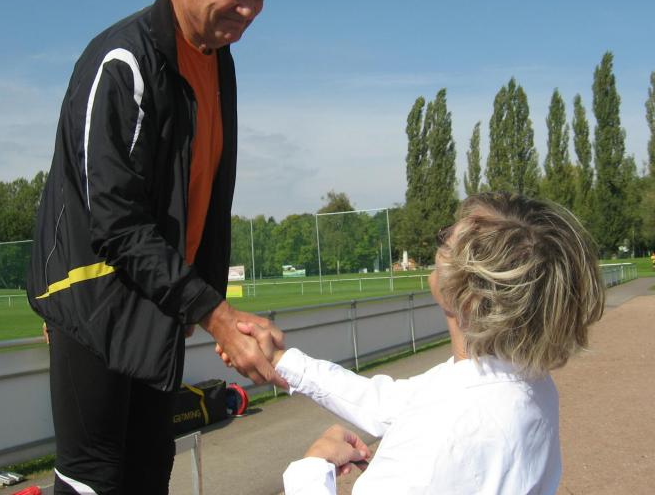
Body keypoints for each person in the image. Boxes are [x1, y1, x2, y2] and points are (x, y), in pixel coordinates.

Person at [26, 0, 284, 495]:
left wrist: (203, 302)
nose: (250, 11)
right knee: (94, 478)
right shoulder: (123, 62)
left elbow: (206, 197)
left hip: (157, 298)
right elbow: (115, 221)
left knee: (149, 466)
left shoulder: (218, 59)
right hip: (92, 296)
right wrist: (212, 312)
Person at [227, 192, 606, 494]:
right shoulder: (524, 380)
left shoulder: (437, 436)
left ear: (466, 297)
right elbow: (389, 401)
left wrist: (311, 468)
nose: (437, 245)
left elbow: (430, 429)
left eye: (445, 240)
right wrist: (280, 360)